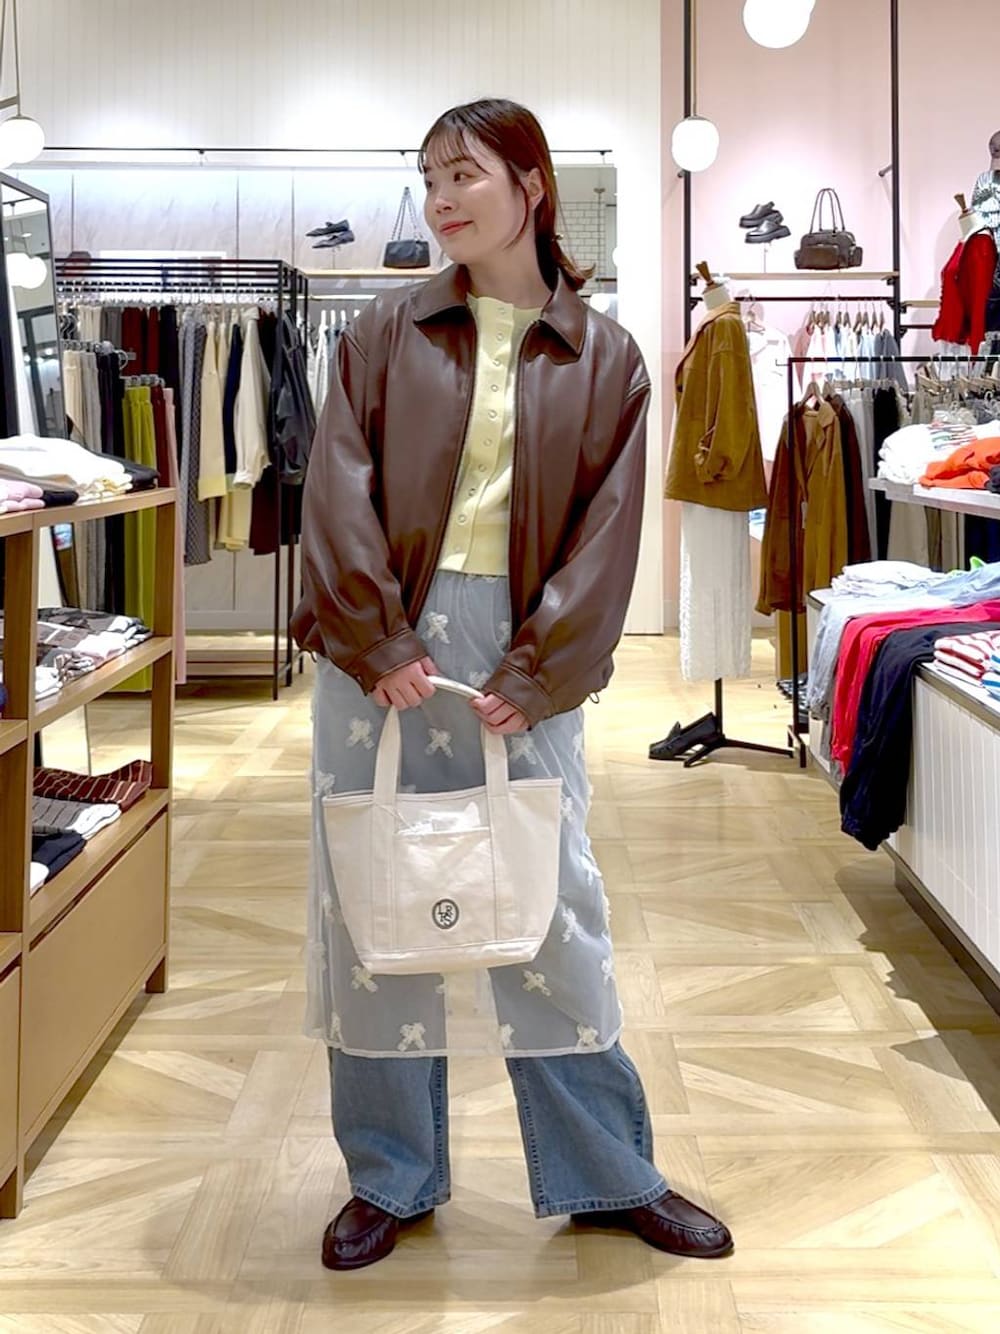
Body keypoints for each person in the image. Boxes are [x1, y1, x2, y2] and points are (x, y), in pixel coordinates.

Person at [291, 97, 733, 1272]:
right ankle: (388, 1175)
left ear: (531, 184)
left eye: (465, 174)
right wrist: (376, 638)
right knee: (370, 904)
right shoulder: (381, 332)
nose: (440, 197)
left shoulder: (607, 356)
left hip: (520, 648)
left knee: (553, 904)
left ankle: (608, 1171)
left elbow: (609, 532)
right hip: (381, 648)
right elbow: (335, 488)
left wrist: (540, 669)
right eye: (429, 176)